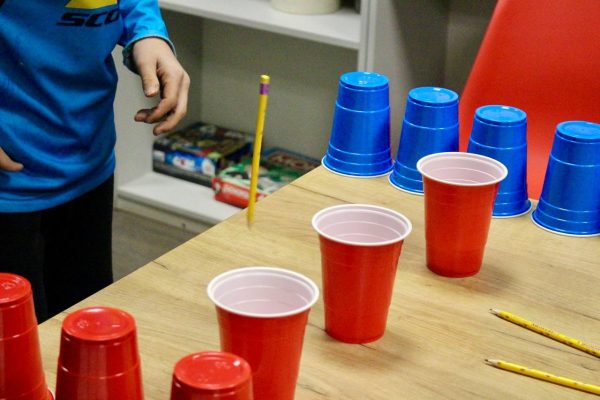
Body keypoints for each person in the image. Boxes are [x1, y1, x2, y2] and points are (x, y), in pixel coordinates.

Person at [0, 0, 190, 322]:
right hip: (10, 188)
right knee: (20, 341)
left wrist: (147, 31)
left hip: (89, 160)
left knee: (86, 324)